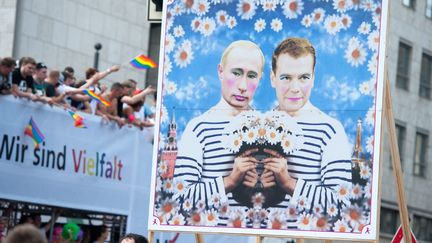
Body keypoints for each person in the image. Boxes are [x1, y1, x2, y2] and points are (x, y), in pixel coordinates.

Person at [172, 40, 267, 225]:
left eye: (252, 76)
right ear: (220, 71)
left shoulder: (269, 130)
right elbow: (180, 199)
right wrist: (230, 180)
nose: (243, 85)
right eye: (236, 73)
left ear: (260, 79)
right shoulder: (199, 128)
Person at [264, 37, 352, 227]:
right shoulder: (256, 126)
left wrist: (289, 183)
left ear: (313, 78)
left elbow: (340, 206)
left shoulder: (330, 131)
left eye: (303, 78)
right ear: (273, 78)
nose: (295, 88)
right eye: (286, 78)